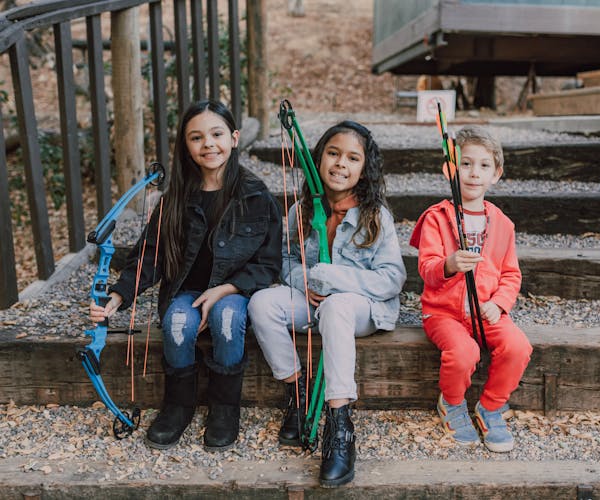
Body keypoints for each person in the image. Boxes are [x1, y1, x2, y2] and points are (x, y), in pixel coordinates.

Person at [89, 100, 283, 452]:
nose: (208, 144)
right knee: (178, 322)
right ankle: (178, 405)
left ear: (235, 138)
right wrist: (117, 295)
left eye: (217, 134)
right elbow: (150, 254)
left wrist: (226, 288)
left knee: (226, 319)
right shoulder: (174, 199)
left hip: (234, 292)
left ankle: (224, 409)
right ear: (186, 146)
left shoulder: (256, 196)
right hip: (186, 289)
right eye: (196, 137)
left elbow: (269, 264)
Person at [247, 120, 406, 487]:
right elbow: (286, 260)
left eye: (352, 158)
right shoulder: (302, 211)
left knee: (336, 308)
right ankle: (298, 394)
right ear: (319, 159)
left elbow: (392, 279)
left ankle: (339, 425)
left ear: (364, 169)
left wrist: (337, 281)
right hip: (315, 302)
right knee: (261, 304)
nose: (340, 164)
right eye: (333, 154)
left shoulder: (375, 216)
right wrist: (302, 280)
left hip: (363, 309)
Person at [409, 125, 532, 453]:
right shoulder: (437, 218)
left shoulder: (503, 224)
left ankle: (490, 405)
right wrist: (448, 264)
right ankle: (451, 402)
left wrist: (500, 303)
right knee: (465, 352)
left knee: (518, 347)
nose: (473, 173)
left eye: (483, 165)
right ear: (450, 169)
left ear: (497, 174)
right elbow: (427, 269)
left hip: (486, 311)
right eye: (465, 163)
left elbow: (511, 274)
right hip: (443, 313)